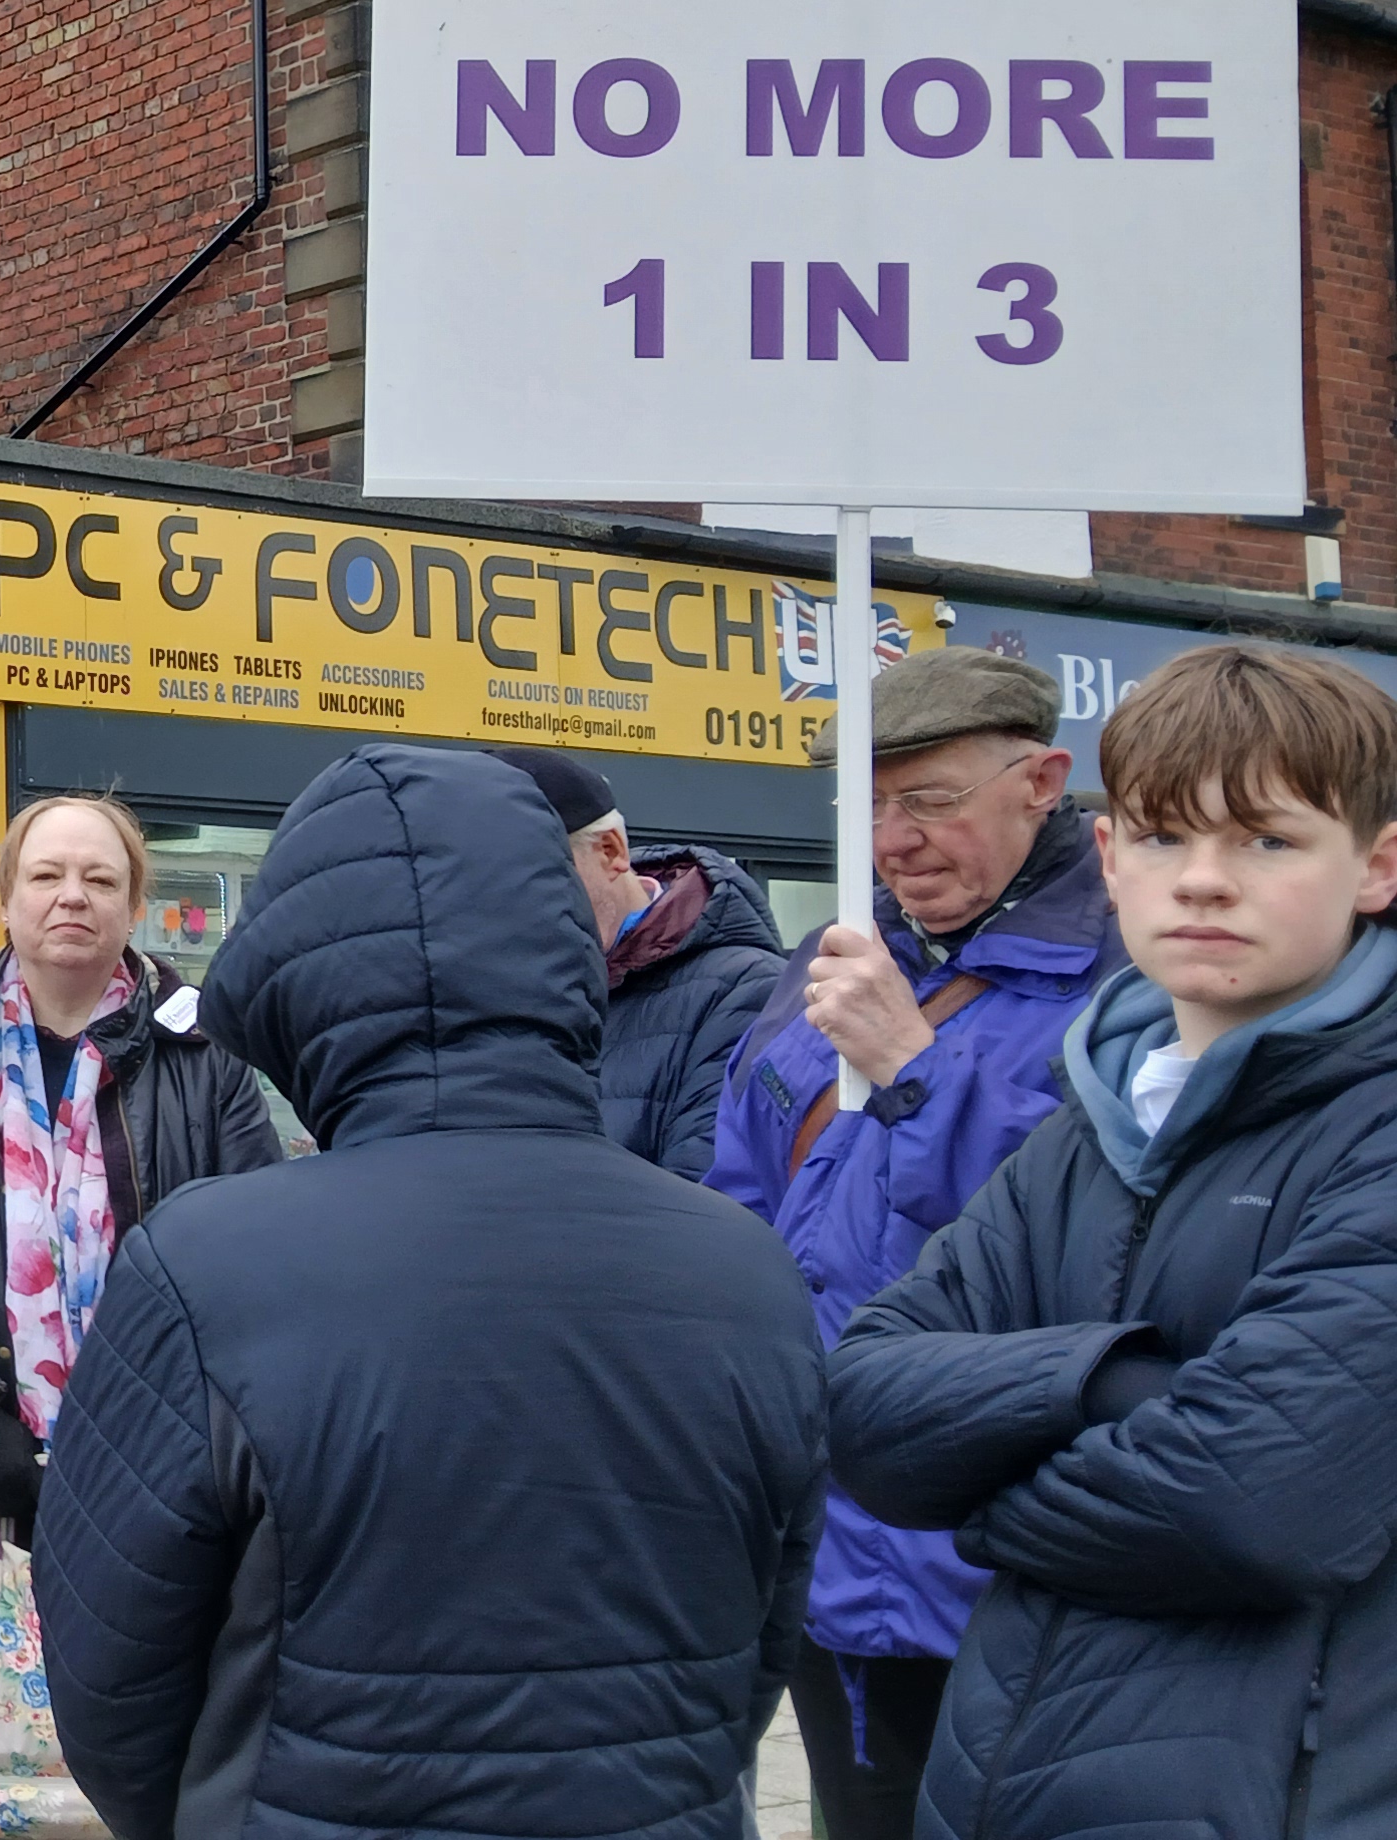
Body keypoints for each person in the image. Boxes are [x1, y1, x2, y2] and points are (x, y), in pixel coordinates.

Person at [35, 746, 824, 1840]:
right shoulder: (746, 1269)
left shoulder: (206, 1270)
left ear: (298, 985)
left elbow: (111, 1682)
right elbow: (760, 1644)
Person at [831, 644, 1397, 1840]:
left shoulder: (1375, 1125)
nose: (1204, 881)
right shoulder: (1089, 1120)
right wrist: (1116, 1384)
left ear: (1378, 865)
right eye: (1162, 835)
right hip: (1009, 1784)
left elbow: (1255, 1500)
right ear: (1107, 855)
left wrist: (984, 1501)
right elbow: (865, 1409)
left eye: (1268, 839)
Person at [703, 647, 1120, 1838]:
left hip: (1012, 1557)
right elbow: (742, 1196)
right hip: (826, 1544)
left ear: (1043, 781)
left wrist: (915, 1074)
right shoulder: (826, 961)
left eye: (931, 799)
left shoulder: (1135, 972)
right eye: (870, 805)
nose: (894, 840)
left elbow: (1109, 1233)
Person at [0, 792, 279, 1626]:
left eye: (99, 879)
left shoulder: (205, 1059)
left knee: (156, 1700)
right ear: (6, 901)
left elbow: (258, 1253)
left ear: (134, 907)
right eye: (45, 876)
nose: (72, 895)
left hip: (163, 1474)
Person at [487, 748, 786, 1175]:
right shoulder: (500, 988)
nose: (504, 906)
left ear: (611, 850)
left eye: (527, 876)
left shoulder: (744, 993)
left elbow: (714, 1195)